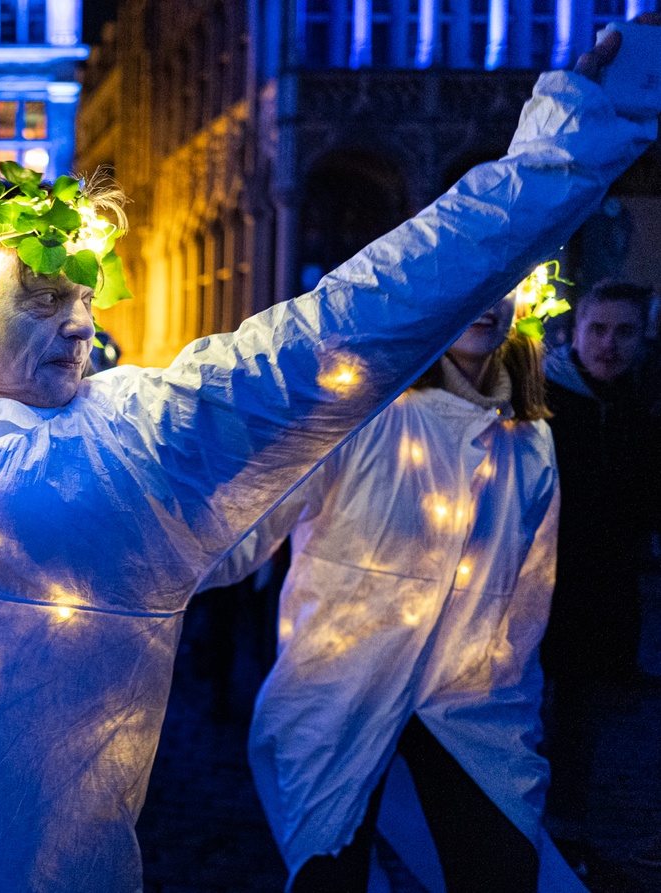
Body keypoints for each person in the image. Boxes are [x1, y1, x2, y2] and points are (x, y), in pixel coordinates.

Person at [0, 26, 658, 892]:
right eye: (46, 302)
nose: (79, 324)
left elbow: (366, 311)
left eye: (84, 298)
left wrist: (564, 146)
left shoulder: (138, 441)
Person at [204, 295, 567, 891]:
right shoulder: (365, 409)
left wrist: (507, 676)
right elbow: (252, 520)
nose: (486, 299)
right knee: (331, 871)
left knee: (500, 867)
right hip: (345, 684)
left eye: (506, 281)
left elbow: (530, 588)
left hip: (470, 697)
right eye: (474, 279)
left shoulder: (530, 441)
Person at [537, 280, 661, 861]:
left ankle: (563, 831)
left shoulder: (639, 409)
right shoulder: (541, 403)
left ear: (643, 336)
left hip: (602, 593)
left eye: (624, 331)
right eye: (599, 329)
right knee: (525, 718)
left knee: (581, 724)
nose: (610, 344)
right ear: (577, 331)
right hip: (534, 590)